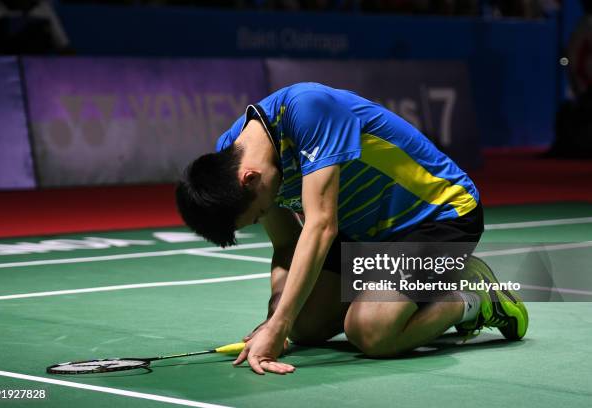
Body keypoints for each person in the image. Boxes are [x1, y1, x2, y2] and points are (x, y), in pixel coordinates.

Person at [175, 82, 528, 375]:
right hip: (365, 233)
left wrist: (279, 324)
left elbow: (321, 225)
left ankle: (475, 297)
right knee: (305, 328)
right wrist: (275, 322)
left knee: (371, 331)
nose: (263, 218)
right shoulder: (230, 154)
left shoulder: (307, 110)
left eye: (259, 214)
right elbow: (286, 245)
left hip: (437, 217)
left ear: (249, 179)